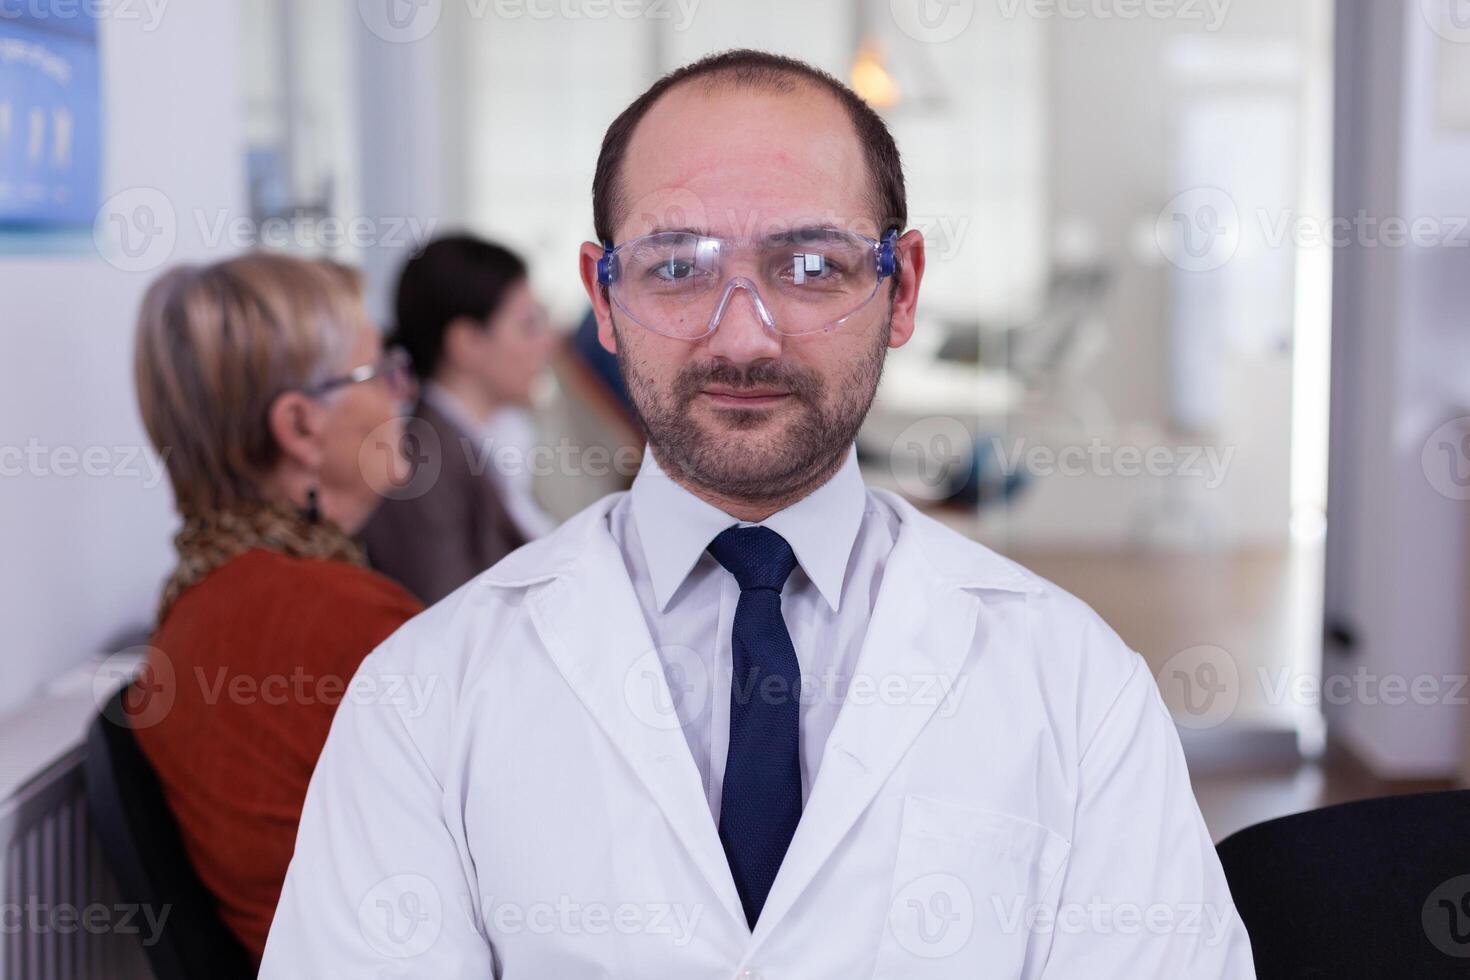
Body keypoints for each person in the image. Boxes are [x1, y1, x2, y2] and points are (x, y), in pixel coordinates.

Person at [262, 50, 1255, 977]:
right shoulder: (423, 696)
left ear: (900, 286)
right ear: (602, 301)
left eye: (811, 266)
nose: (743, 335)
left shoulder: (1078, 687)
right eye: (677, 266)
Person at [126, 253, 422, 963]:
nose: (401, 395)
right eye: (377, 372)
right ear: (301, 428)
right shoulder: (331, 616)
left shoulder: (205, 600)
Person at [360, 234, 557, 605]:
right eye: (529, 325)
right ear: (466, 342)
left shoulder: (497, 438)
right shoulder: (420, 471)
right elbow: (446, 626)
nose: (547, 342)